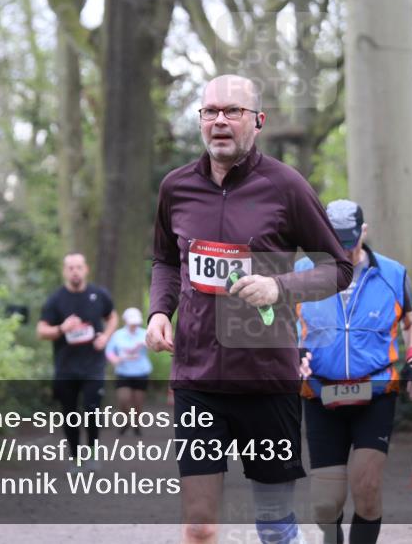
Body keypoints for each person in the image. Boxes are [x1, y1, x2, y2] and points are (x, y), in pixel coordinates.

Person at [146, 75, 354, 544]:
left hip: (266, 378)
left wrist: (279, 286)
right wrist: (160, 311)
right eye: (210, 111)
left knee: (275, 526)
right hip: (198, 379)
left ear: (257, 122)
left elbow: (339, 268)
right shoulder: (175, 188)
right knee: (199, 527)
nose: (220, 120)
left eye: (232, 111)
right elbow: (164, 260)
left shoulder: (286, 187)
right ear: (200, 121)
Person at [296, 199, 412, 544]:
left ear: (363, 232)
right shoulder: (302, 273)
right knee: (326, 504)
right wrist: (292, 355)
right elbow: (278, 324)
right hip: (321, 394)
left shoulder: (392, 274)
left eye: (349, 242)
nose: (343, 250)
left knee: (366, 487)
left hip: (376, 393)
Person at [37, 253, 118, 466]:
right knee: (70, 414)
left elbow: (112, 317)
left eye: (78, 267)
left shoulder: (99, 295)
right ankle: (75, 458)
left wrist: (106, 337)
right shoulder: (56, 299)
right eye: (70, 267)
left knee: (92, 411)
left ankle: (91, 454)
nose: (75, 271)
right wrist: (61, 328)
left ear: (86, 269)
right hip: (66, 367)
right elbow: (41, 331)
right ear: (65, 271)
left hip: (93, 366)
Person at [105, 307, 152, 436]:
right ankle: (126, 421)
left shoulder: (145, 333)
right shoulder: (118, 335)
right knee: (123, 399)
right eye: (132, 323)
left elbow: (153, 345)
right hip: (123, 372)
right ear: (126, 321)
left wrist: (144, 345)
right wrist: (114, 359)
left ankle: (136, 423)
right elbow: (109, 351)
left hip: (141, 372)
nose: (134, 326)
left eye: (136, 323)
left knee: (138, 403)